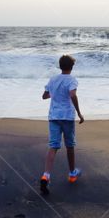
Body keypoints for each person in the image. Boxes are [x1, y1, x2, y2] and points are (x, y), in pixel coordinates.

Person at [40, 54, 84, 193]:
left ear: (60, 66)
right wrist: (79, 112)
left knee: (53, 146)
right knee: (70, 146)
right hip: (67, 116)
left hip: (53, 116)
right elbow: (72, 95)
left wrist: (55, 93)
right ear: (72, 67)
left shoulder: (53, 79)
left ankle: (46, 175)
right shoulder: (72, 80)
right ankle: (72, 173)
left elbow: (44, 96)